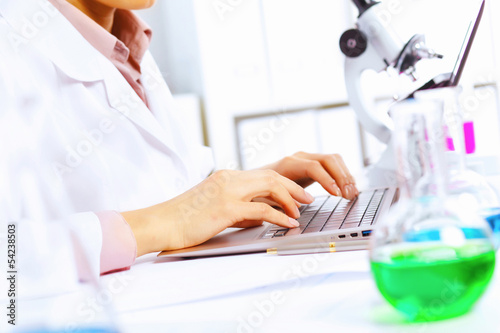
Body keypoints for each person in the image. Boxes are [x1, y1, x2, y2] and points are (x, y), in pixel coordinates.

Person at [0, 0, 359, 276]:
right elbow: (10, 259)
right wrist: (164, 224)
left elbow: (165, 187)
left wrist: (251, 187)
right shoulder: (12, 46)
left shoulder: (122, 36)